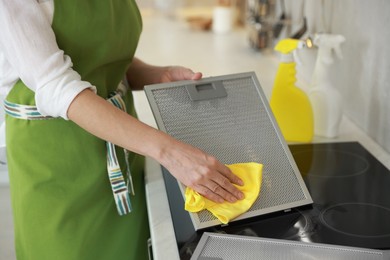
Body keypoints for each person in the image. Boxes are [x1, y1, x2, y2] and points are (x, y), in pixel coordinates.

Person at [0, 1, 244, 259]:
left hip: (124, 147)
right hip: (57, 165)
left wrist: (155, 74)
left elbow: (96, 53)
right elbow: (55, 85)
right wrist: (172, 153)